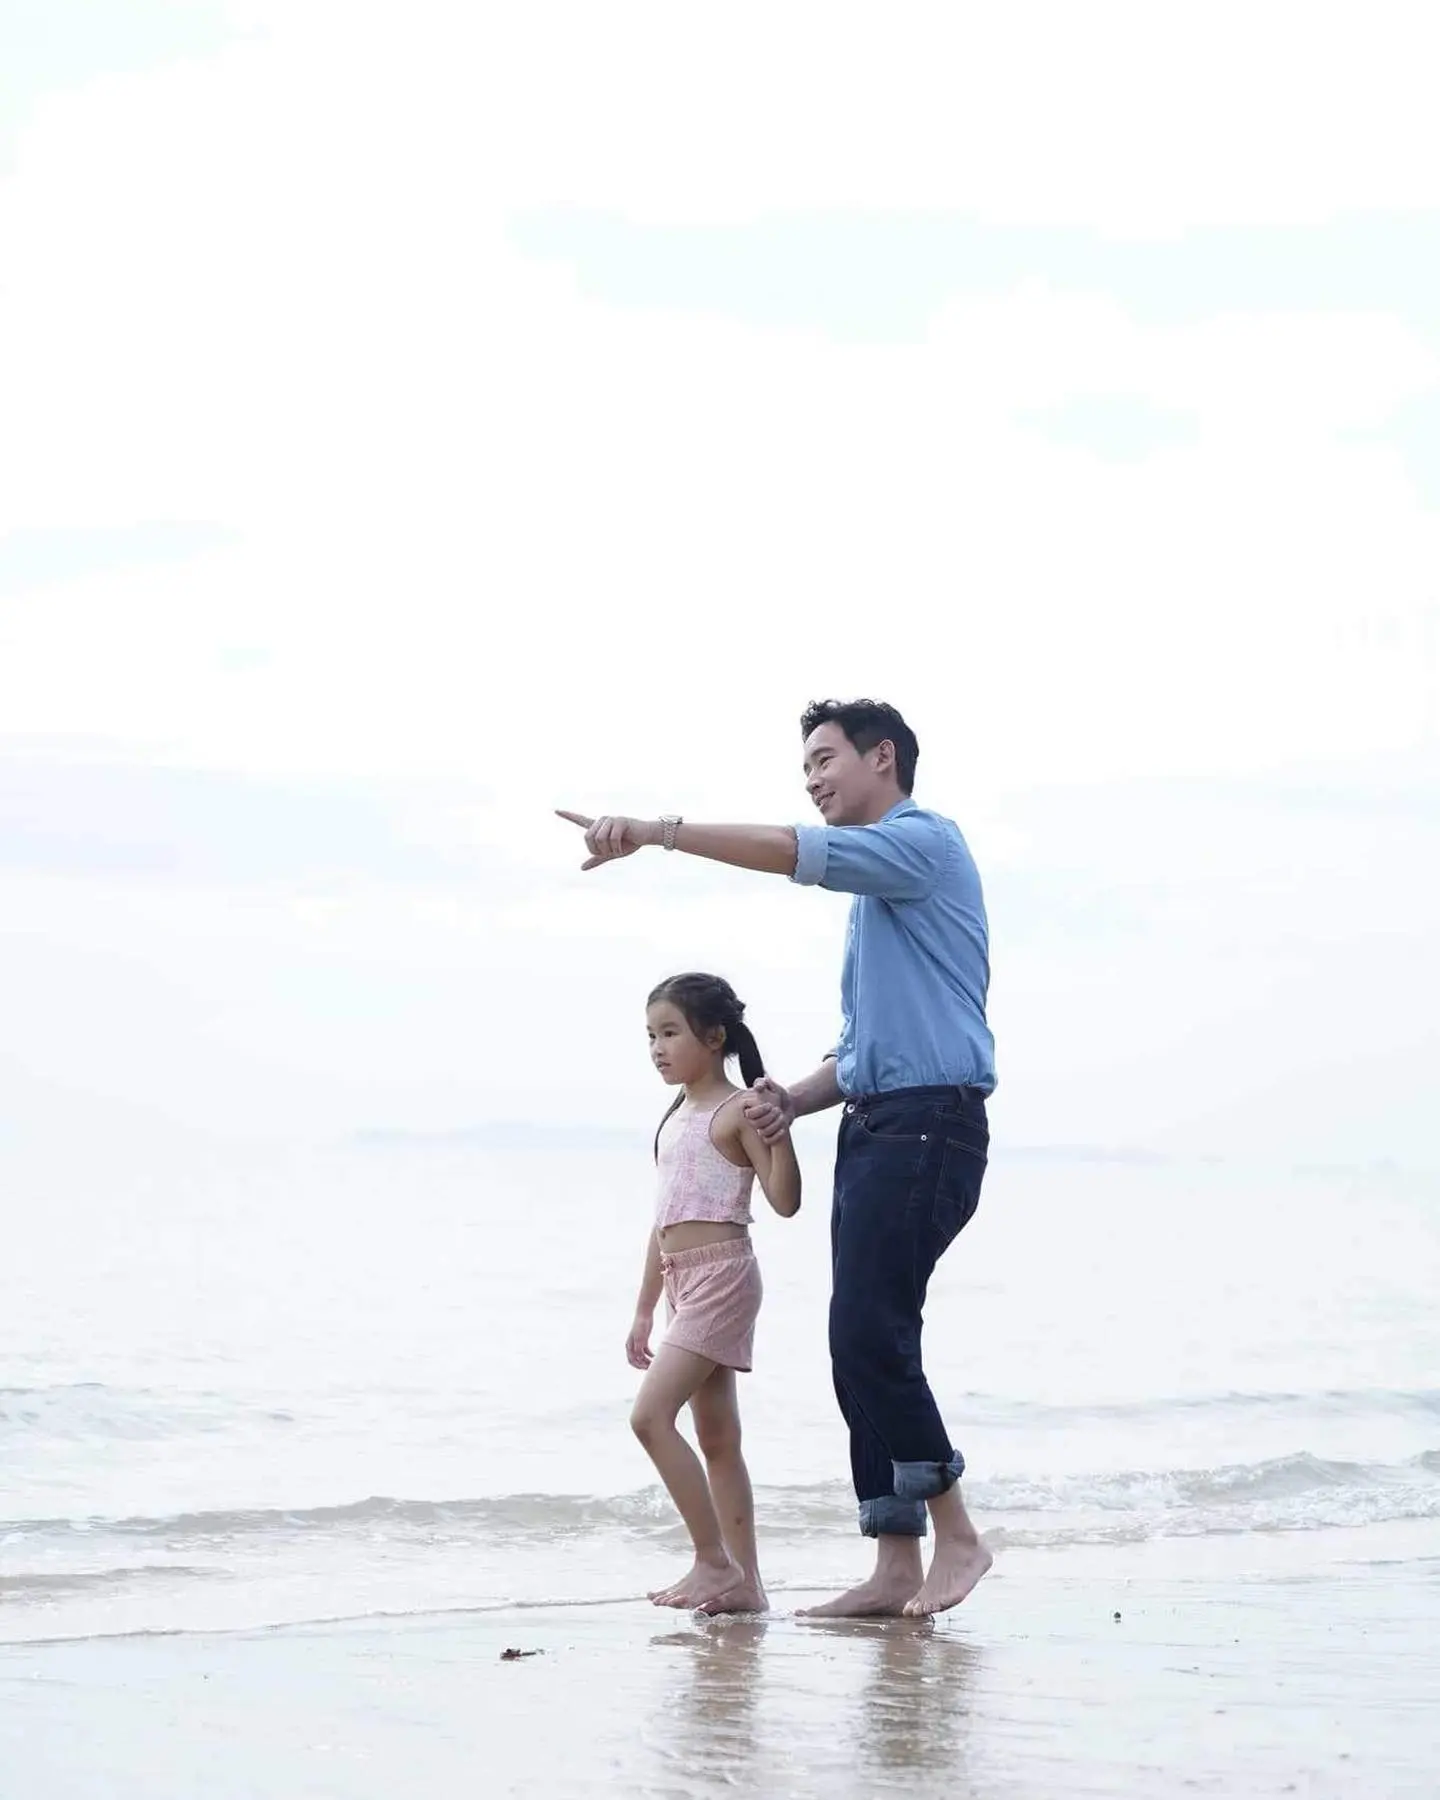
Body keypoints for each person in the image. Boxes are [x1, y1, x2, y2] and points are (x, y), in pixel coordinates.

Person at [558, 698, 996, 1618]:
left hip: (929, 1125)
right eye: (804, 768)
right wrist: (791, 1099)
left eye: (825, 760)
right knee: (859, 1340)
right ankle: (895, 1560)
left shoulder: (923, 844)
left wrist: (657, 833)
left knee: (870, 1333)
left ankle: (956, 1535)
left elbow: (791, 852)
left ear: (883, 757)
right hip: (879, 1123)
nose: (812, 780)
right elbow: (866, 1050)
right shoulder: (880, 902)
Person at [625, 972, 801, 1615]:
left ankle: (712, 1562)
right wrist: (644, 1308)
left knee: (649, 1418)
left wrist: (782, 1132)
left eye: (670, 1033)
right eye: (651, 1036)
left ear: (715, 1036)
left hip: (723, 1277)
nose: (658, 1048)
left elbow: (785, 1201)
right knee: (718, 1438)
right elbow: (664, 1220)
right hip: (682, 1280)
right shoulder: (675, 1117)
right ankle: (746, 1584)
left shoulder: (739, 1111)